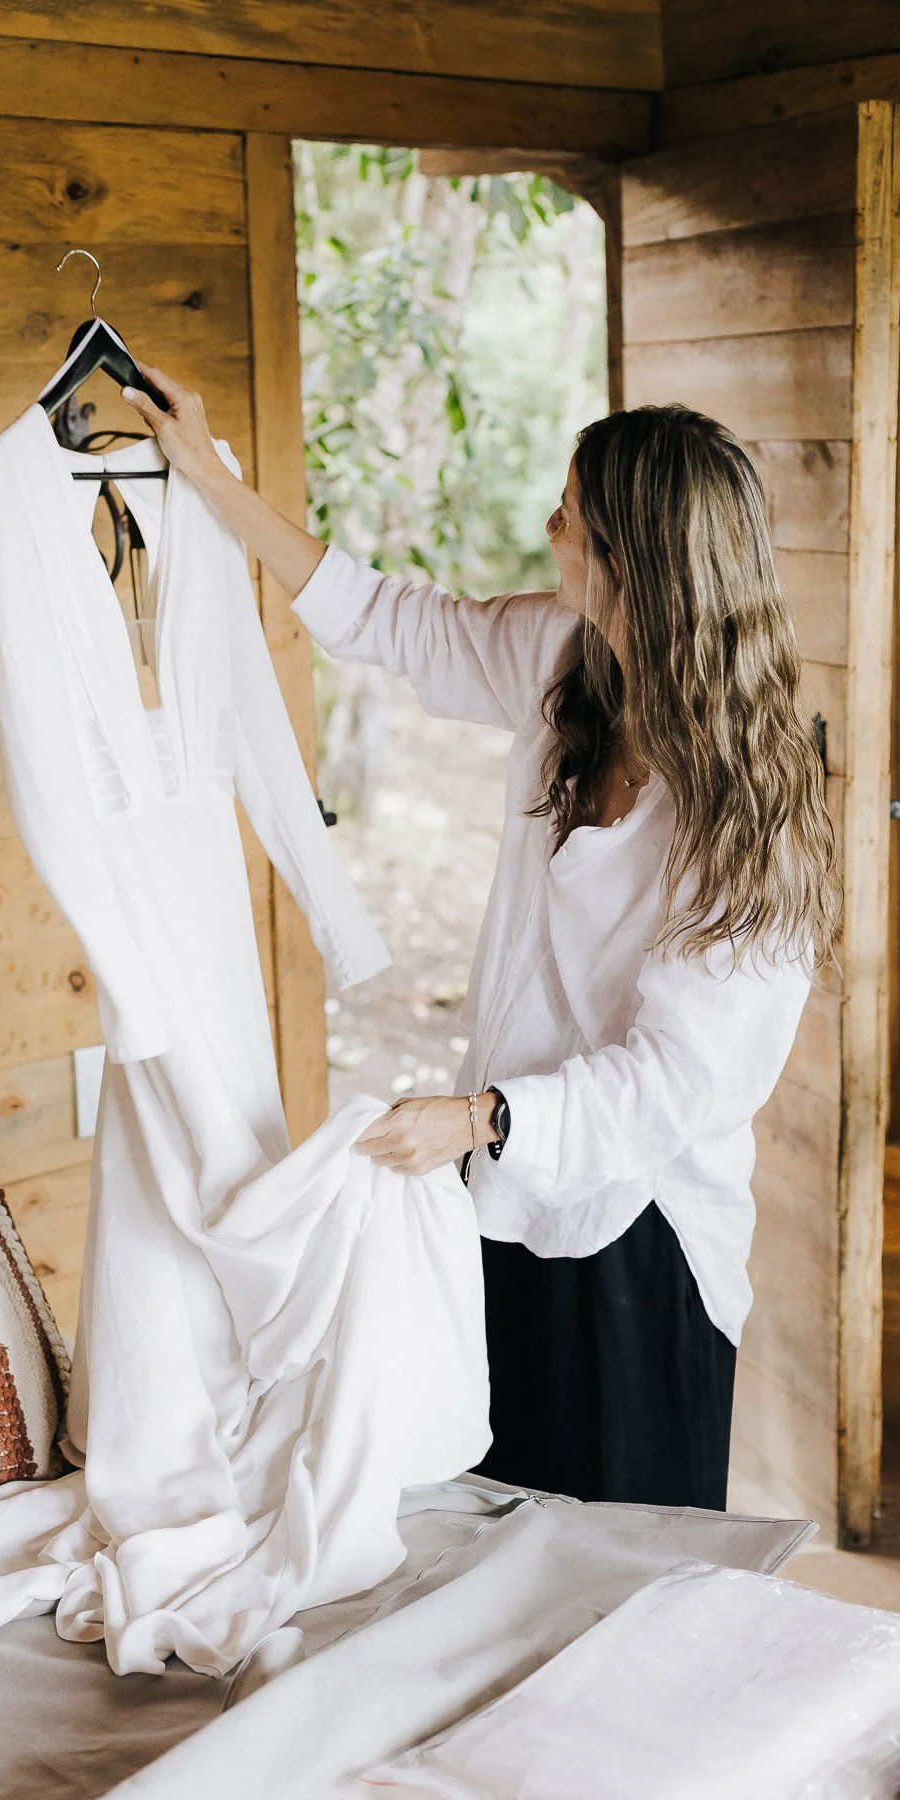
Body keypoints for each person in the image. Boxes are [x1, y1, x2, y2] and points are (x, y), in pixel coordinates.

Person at [121, 367, 841, 1511]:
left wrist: (479, 1117)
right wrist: (206, 474)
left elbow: (678, 1088)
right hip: (502, 1201)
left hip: (640, 1243)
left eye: (570, 515)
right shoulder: (569, 666)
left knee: (620, 1587)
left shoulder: (747, 819)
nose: (548, 528)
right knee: (500, 1538)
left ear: (630, 564)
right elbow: (390, 620)